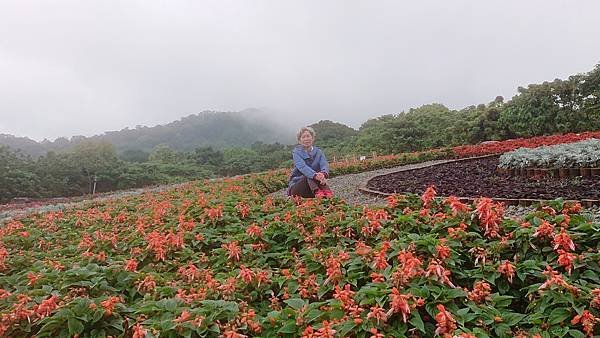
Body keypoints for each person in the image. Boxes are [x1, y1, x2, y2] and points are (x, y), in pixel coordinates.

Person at [288, 126, 334, 198]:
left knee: (317, 174)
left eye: (308, 136)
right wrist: (315, 175)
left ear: (312, 138)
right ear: (299, 140)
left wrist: (323, 174)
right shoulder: (296, 153)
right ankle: (317, 191)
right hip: (298, 187)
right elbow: (303, 167)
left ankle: (327, 193)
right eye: (303, 137)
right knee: (308, 174)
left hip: (314, 183)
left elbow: (324, 164)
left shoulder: (319, 152)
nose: (306, 139)